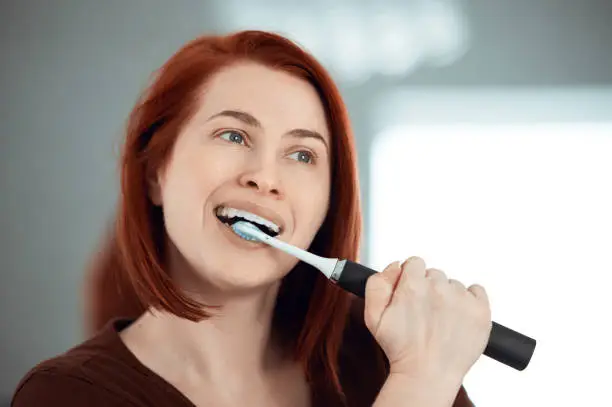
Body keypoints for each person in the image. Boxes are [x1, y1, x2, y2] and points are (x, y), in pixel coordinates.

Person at [11, 30, 491, 407]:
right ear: (156, 172)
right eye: (234, 136)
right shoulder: (67, 396)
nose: (266, 178)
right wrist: (418, 386)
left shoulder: (378, 355)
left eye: (302, 155)